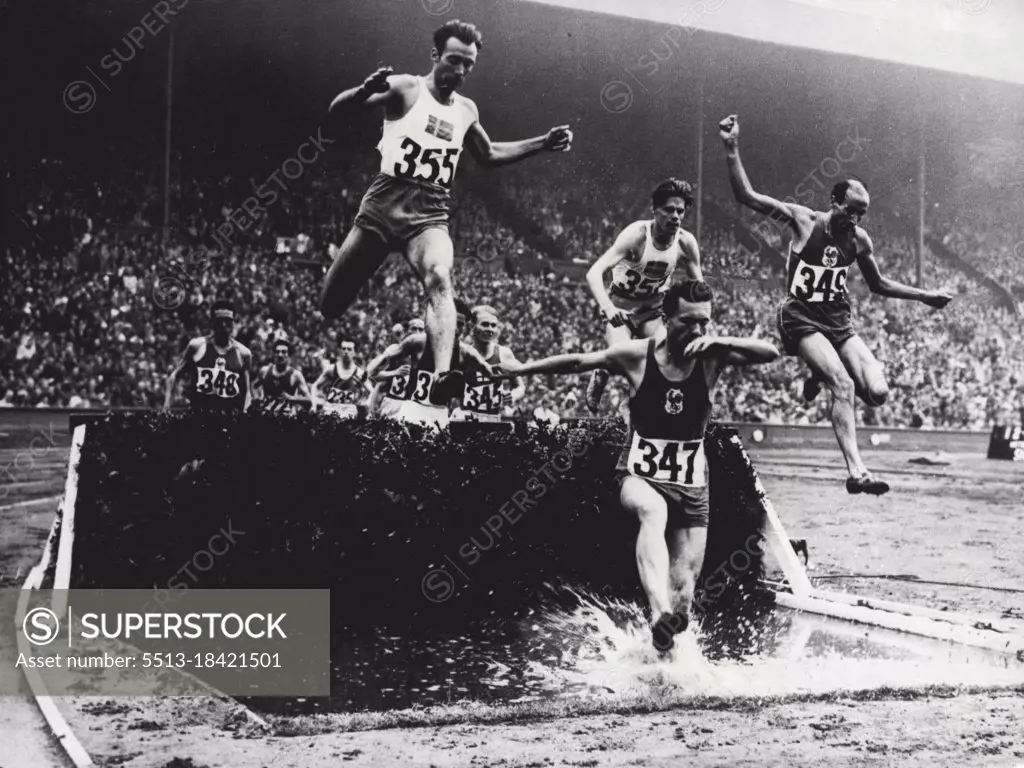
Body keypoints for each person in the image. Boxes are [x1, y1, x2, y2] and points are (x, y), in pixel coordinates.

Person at [495, 281, 779, 653]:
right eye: (688, 322)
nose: (697, 331)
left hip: (692, 484)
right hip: (639, 474)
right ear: (665, 319)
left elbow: (770, 352)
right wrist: (522, 369)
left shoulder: (712, 355)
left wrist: (721, 342)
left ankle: (665, 654)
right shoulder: (637, 355)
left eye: (704, 323)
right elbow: (581, 361)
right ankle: (658, 612)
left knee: (685, 594)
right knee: (652, 510)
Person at [321, 19, 573, 407]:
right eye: (454, 60)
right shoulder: (407, 88)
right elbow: (337, 112)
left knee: (440, 277)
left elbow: (488, 155)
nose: (461, 71)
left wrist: (543, 143)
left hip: (430, 210)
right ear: (436, 55)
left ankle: (443, 375)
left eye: (469, 64)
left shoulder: (466, 110)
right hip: (384, 203)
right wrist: (363, 92)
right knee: (331, 305)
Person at [719, 114, 952, 495]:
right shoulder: (804, 221)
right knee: (842, 384)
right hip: (801, 317)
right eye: (850, 210)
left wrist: (925, 296)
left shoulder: (859, 241)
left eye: (862, 213)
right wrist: (731, 149)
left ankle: (818, 372)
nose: (855, 218)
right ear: (834, 202)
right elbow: (747, 197)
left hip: (838, 321)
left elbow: (878, 285)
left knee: (878, 393)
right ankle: (857, 471)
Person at [584, 178, 703, 413]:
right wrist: (608, 307)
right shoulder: (637, 235)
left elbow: (699, 286)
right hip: (622, 308)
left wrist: (698, 319)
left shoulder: (686, 242)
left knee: (659, 361)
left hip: (653, 310)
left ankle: (630, 409)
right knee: (623, 357)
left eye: (680, 211)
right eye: (669, 210)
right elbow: (594, 272)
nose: (676, 217)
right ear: (655, 210)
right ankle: (602, 371)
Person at [367, 299, 492, 428]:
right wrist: (379, 366)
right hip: (413, 411)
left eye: (460, 324)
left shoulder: (466, 352)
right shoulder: (418, 341)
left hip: (440, 415)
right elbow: (374, 368)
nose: (456, 328)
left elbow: (492, 372)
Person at [163, 299, 253, 412]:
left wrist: (245, 411)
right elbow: (174, 376)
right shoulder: (197, 346)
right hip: (199, 418)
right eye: (219, 321)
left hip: (229, 419)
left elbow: (247, 392)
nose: (223, 325)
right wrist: (166, 405)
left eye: (227, 321)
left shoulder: (244, 353)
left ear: (234, 323)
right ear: (212, 322)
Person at [452, 304, 525, 423]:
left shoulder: (504, 354)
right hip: (467, 418)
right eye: (485, 324)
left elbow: (520, 386)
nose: (490, 329)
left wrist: (513, 395)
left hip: (495, 418)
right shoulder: (463, 353)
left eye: (493, 325)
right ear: (472, 326)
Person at [311, 338, 374, 419]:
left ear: (354, 352)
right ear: (340, 351)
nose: (346, 351)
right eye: (343, 349)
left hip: (348, 413)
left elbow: (372, 391)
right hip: (330, 411)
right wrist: (314, 404)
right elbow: (314, 385)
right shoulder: (331, 369)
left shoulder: (359, 373)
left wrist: (367, 403)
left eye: (349, 349)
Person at [254, 338, 312, 414]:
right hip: (265, 415)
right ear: (274, 354)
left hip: (285, 418)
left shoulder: (296, 375)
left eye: (284, 352)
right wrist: (257, 397)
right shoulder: (264, 371)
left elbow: (309, 400)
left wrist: (291, 398)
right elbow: (253, 386)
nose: (280, 355)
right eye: (277, 352)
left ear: (288, 355)